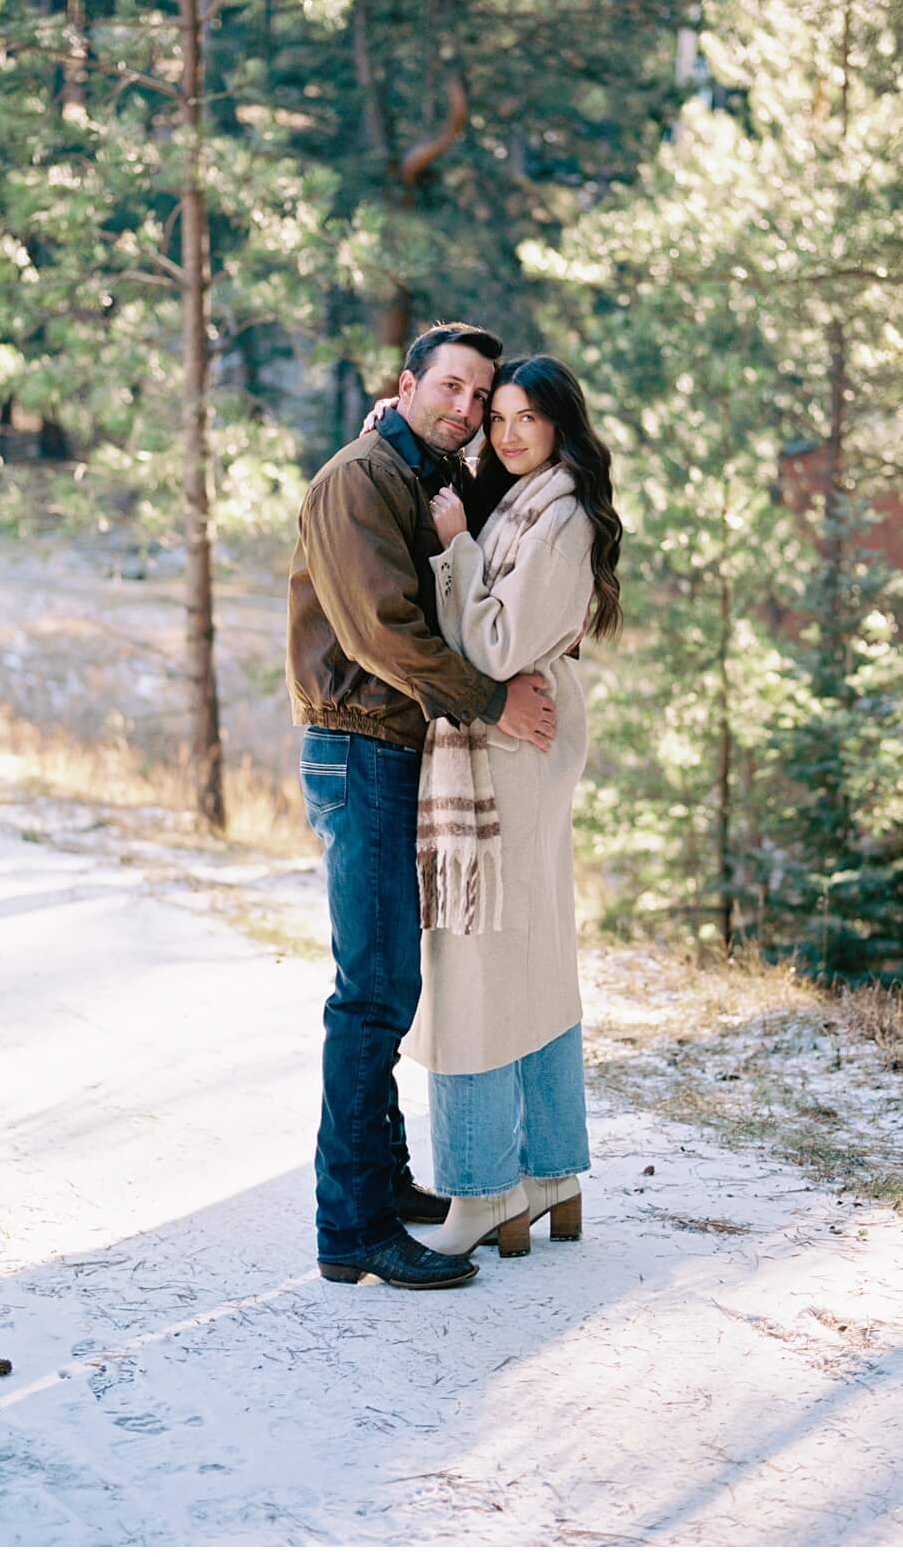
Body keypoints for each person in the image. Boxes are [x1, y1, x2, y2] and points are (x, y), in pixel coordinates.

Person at [287, 322, 558, 1290]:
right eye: (448, 387)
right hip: (358, 746)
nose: (465, 408)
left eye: (478, 397)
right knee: (371, 993)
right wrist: (493, 699)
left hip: (391, 749)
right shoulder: (358, 479)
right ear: (407, 384)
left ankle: (386, 1185)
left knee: (388, 983)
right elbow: (382, 633)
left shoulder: (418, 474)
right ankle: (350, 1226)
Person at [408, 355, 622, 1260]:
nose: (506, 433)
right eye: (497, 417)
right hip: (515, 749)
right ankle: (552, 1176)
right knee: (527, 952)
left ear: (562, 425)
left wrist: (455, 546)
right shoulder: (529, 506)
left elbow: (495, 648)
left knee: (473, 964)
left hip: (511, 747)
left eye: (527, 417)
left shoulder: (559, 518)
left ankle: (481, 1189)